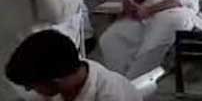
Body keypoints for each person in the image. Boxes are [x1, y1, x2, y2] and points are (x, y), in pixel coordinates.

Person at [6, 30, 140, 101]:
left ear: (55, 80)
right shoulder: (70, 72)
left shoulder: (109, 95)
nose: (30, 90)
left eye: (30, 86)